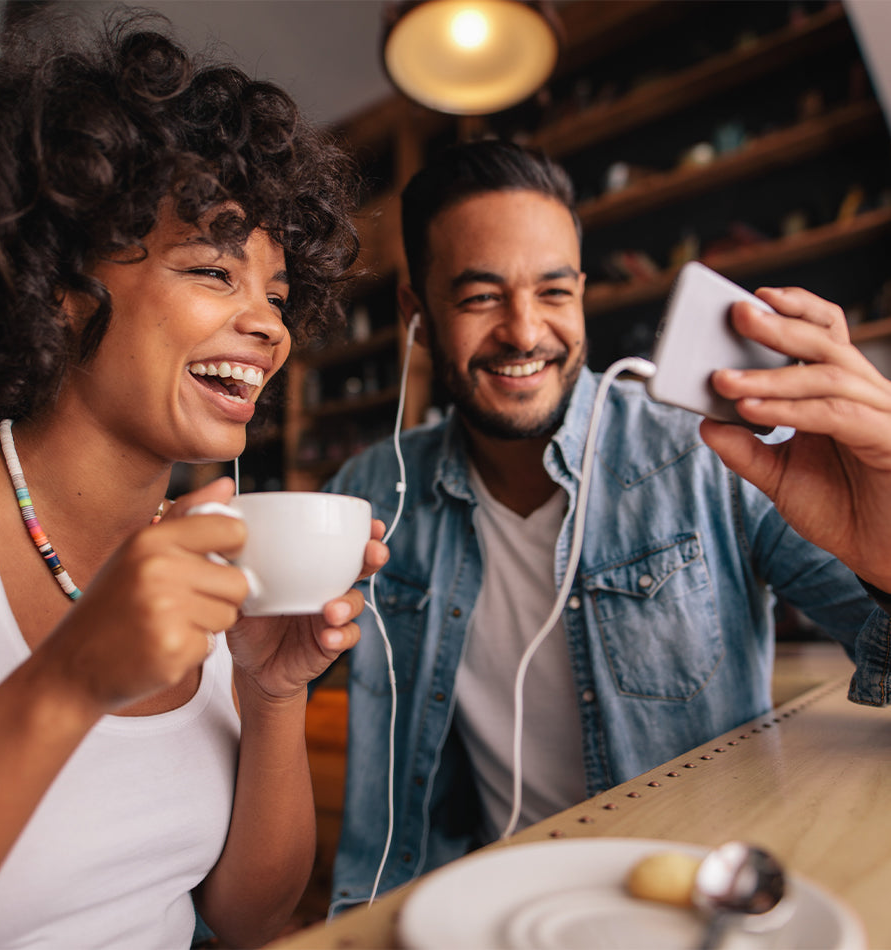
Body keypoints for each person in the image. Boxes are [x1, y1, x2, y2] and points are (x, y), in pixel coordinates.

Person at [324, 139, 891, 912]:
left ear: (583, 292)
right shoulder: (369, 494)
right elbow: (247, 686)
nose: (525, 332)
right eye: (480, 296)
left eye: (553, 292)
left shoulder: (706, 450)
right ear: (416, 312)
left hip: (690, 909)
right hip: (478, 913)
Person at [0, 11, 389, 949]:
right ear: (58, 288)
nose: (269, 327)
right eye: (213, 271)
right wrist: (72, 679)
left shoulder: (207, 554)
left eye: (276, 292)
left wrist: (270, 692)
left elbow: (248, 917)